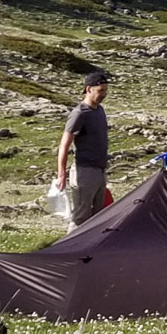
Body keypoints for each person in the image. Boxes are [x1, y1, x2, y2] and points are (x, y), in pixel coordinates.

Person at [55, 71, 112, 231]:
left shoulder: (100, 110)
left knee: (98, 215)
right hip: (84, 171)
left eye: (105, 90)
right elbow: (64, 145)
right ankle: (68, 251)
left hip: (100, 170)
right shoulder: (79, 113)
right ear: (89, 89)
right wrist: (61, 174)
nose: (104, 94)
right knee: (81, 216)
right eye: (100, 90)